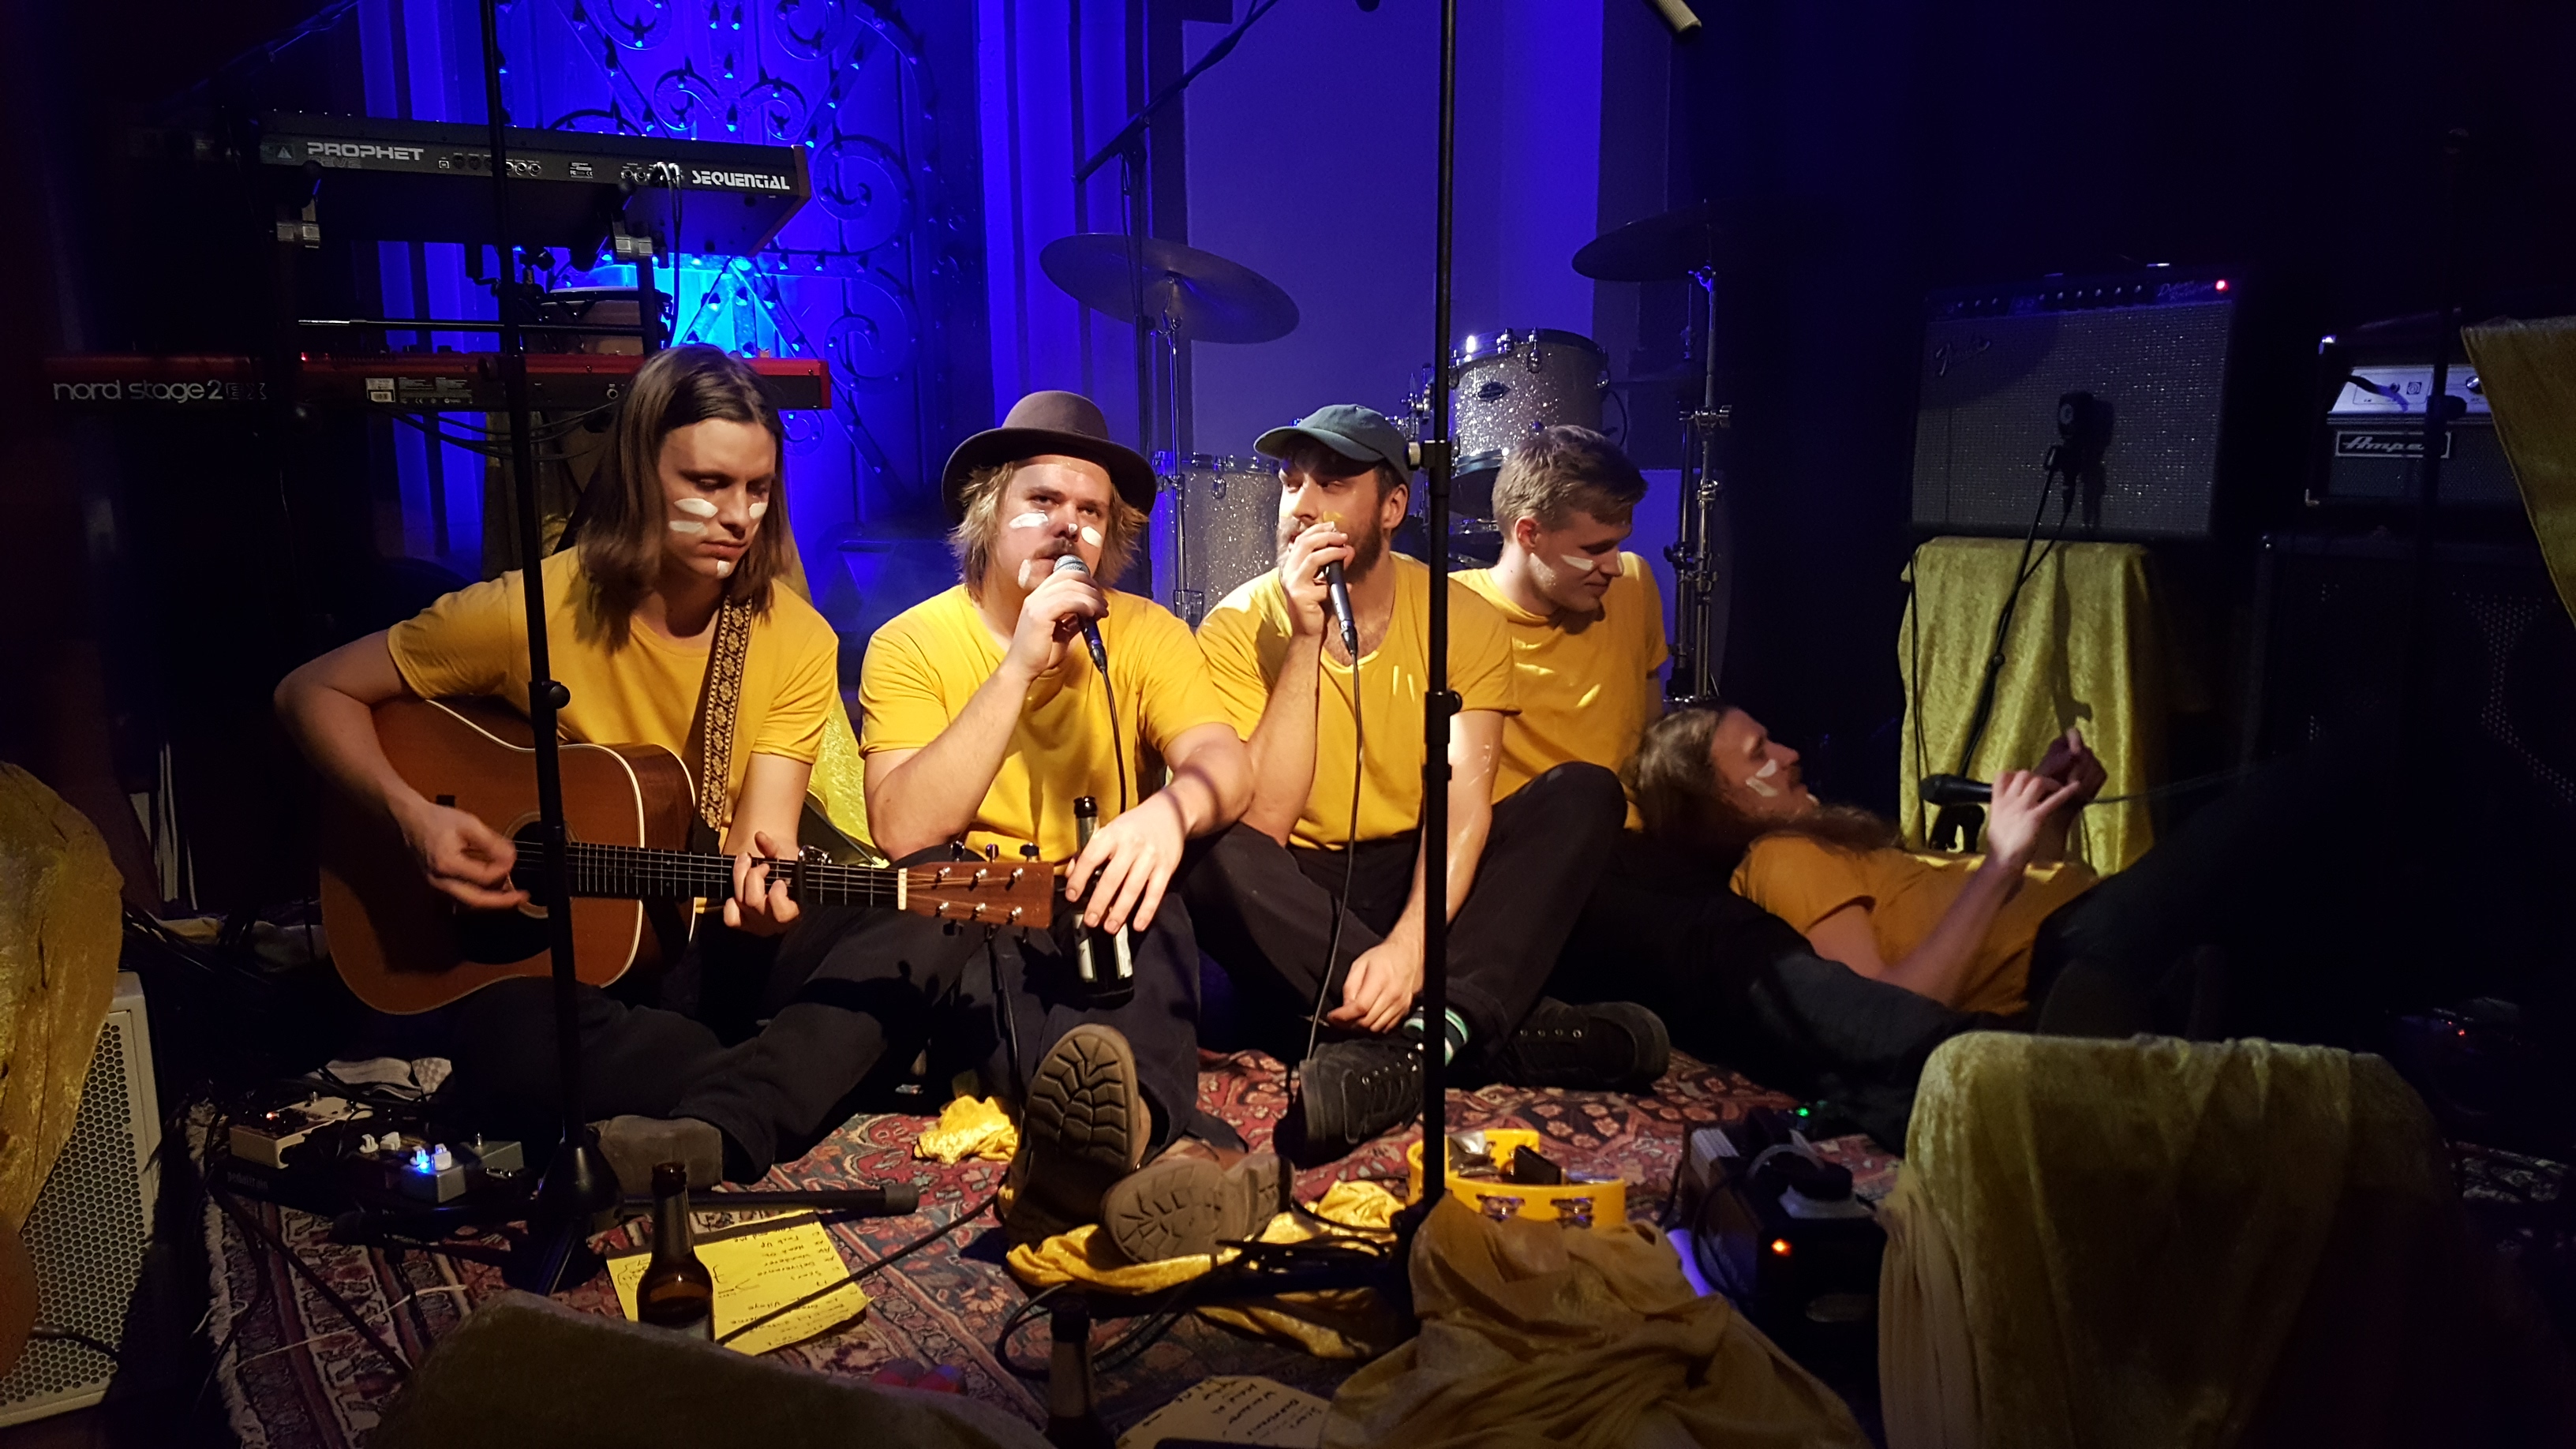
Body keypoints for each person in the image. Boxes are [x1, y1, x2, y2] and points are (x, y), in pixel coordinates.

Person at [275, 346, 859, 1190]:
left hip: (698, 941)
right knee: (519, 1039)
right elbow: (311, 690)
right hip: (565, 973)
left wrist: (762, 904)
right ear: (640, 475)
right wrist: (414, 816)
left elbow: (755, 843)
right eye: (707, 484)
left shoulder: (794, 638)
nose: (738, 516)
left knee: (921, 927)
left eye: (758, 490)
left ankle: (731, 1090)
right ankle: (787, 1074)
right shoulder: (532, 611)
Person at [811, 389, 1268, 1257]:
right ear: (989, 514)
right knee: (991, 957)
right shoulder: (910, 643)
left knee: (1164, 902)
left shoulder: (1147, 633)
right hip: (982, 912)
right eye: (1043, 501)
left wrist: (1167, 814)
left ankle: (1118, 1140)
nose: (1068, 528)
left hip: (1099, 897)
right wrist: (1020, 664)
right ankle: (1148, 1153)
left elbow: (1225, 763)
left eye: (1091, 513)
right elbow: (904, 827)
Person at [1183, 405, 1668, 1162]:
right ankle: (1478, 1030)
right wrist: (1307, 640)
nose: (1301, 504)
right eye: (1291, 482)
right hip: (1303, 888)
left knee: (1584, 793)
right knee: (1210, 848)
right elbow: (1265, 825)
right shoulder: (1236, 625)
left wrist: (1412, 949)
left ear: (1393, 507)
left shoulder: (1459, 617)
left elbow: (1464, 806)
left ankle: (1407, 1051)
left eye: (1332, 484)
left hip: (1422, 868)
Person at [1455, 425, 1668, 820]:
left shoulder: (1634, 583)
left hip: (1629, 840)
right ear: (1529, 534)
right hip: (1522, 841)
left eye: (1619, 543)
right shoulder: (1455, 609)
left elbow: (1651, 732)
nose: (1614, 566)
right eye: (1596, 549)